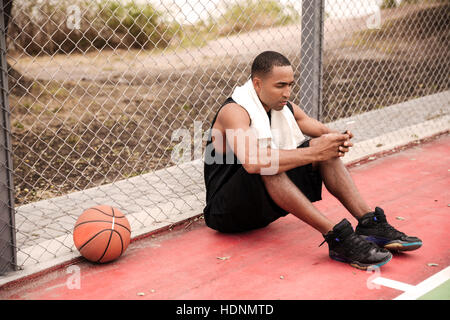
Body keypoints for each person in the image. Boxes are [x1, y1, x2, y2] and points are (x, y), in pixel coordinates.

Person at [202, 51, 422, 270]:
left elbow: (315, 127)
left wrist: (336, 138)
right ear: (257, 84)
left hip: (259, 210)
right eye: (280, 86)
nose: (287, 92)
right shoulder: (234, 111)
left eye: (290, 85)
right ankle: (336, 237)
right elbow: (253, 162)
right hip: (226, 213)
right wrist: (317, 152)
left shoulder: (284, 108)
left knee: (324, 148)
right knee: (269, 164)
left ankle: (369, 223)